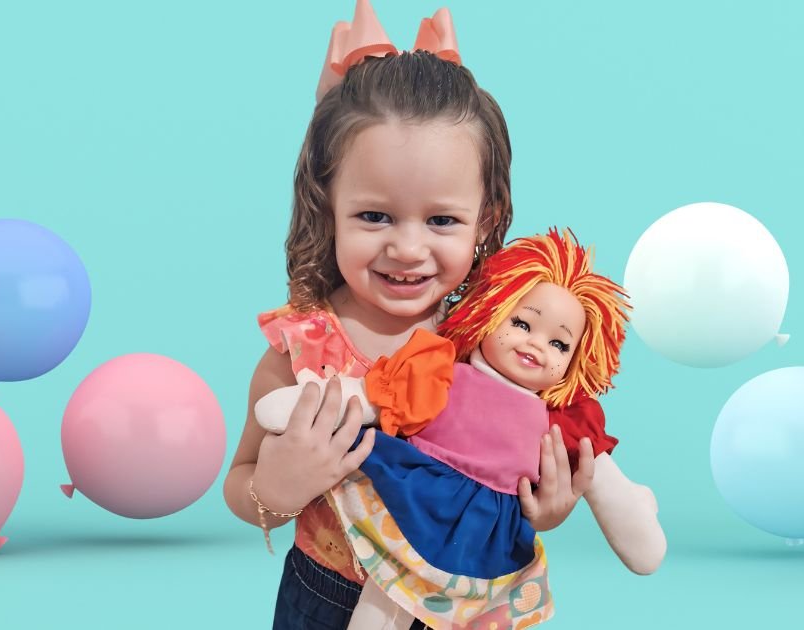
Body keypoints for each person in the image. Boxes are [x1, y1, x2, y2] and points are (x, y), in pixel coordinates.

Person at [221, 2, 594, 628]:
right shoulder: (305, 349)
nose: (407, 248)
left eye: (442, 220)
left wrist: (547, 508)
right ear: (327, 207)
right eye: (374, 216)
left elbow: (515, 462)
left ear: (486, 219)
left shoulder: (490, 338)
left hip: (462, 601)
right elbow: (241, 481)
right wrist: (276, 491)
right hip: (330, 598)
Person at [256, 229, 667, 629]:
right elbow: (371, 396)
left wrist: (624, 508)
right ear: (490, 309)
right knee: (389, 593)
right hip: (415, 500)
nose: (536, 345)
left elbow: (604, 485)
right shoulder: (441, 369)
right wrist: (301, 406)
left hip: (483, 538)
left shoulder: (563, 421)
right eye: (523, 324)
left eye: (559, 344)